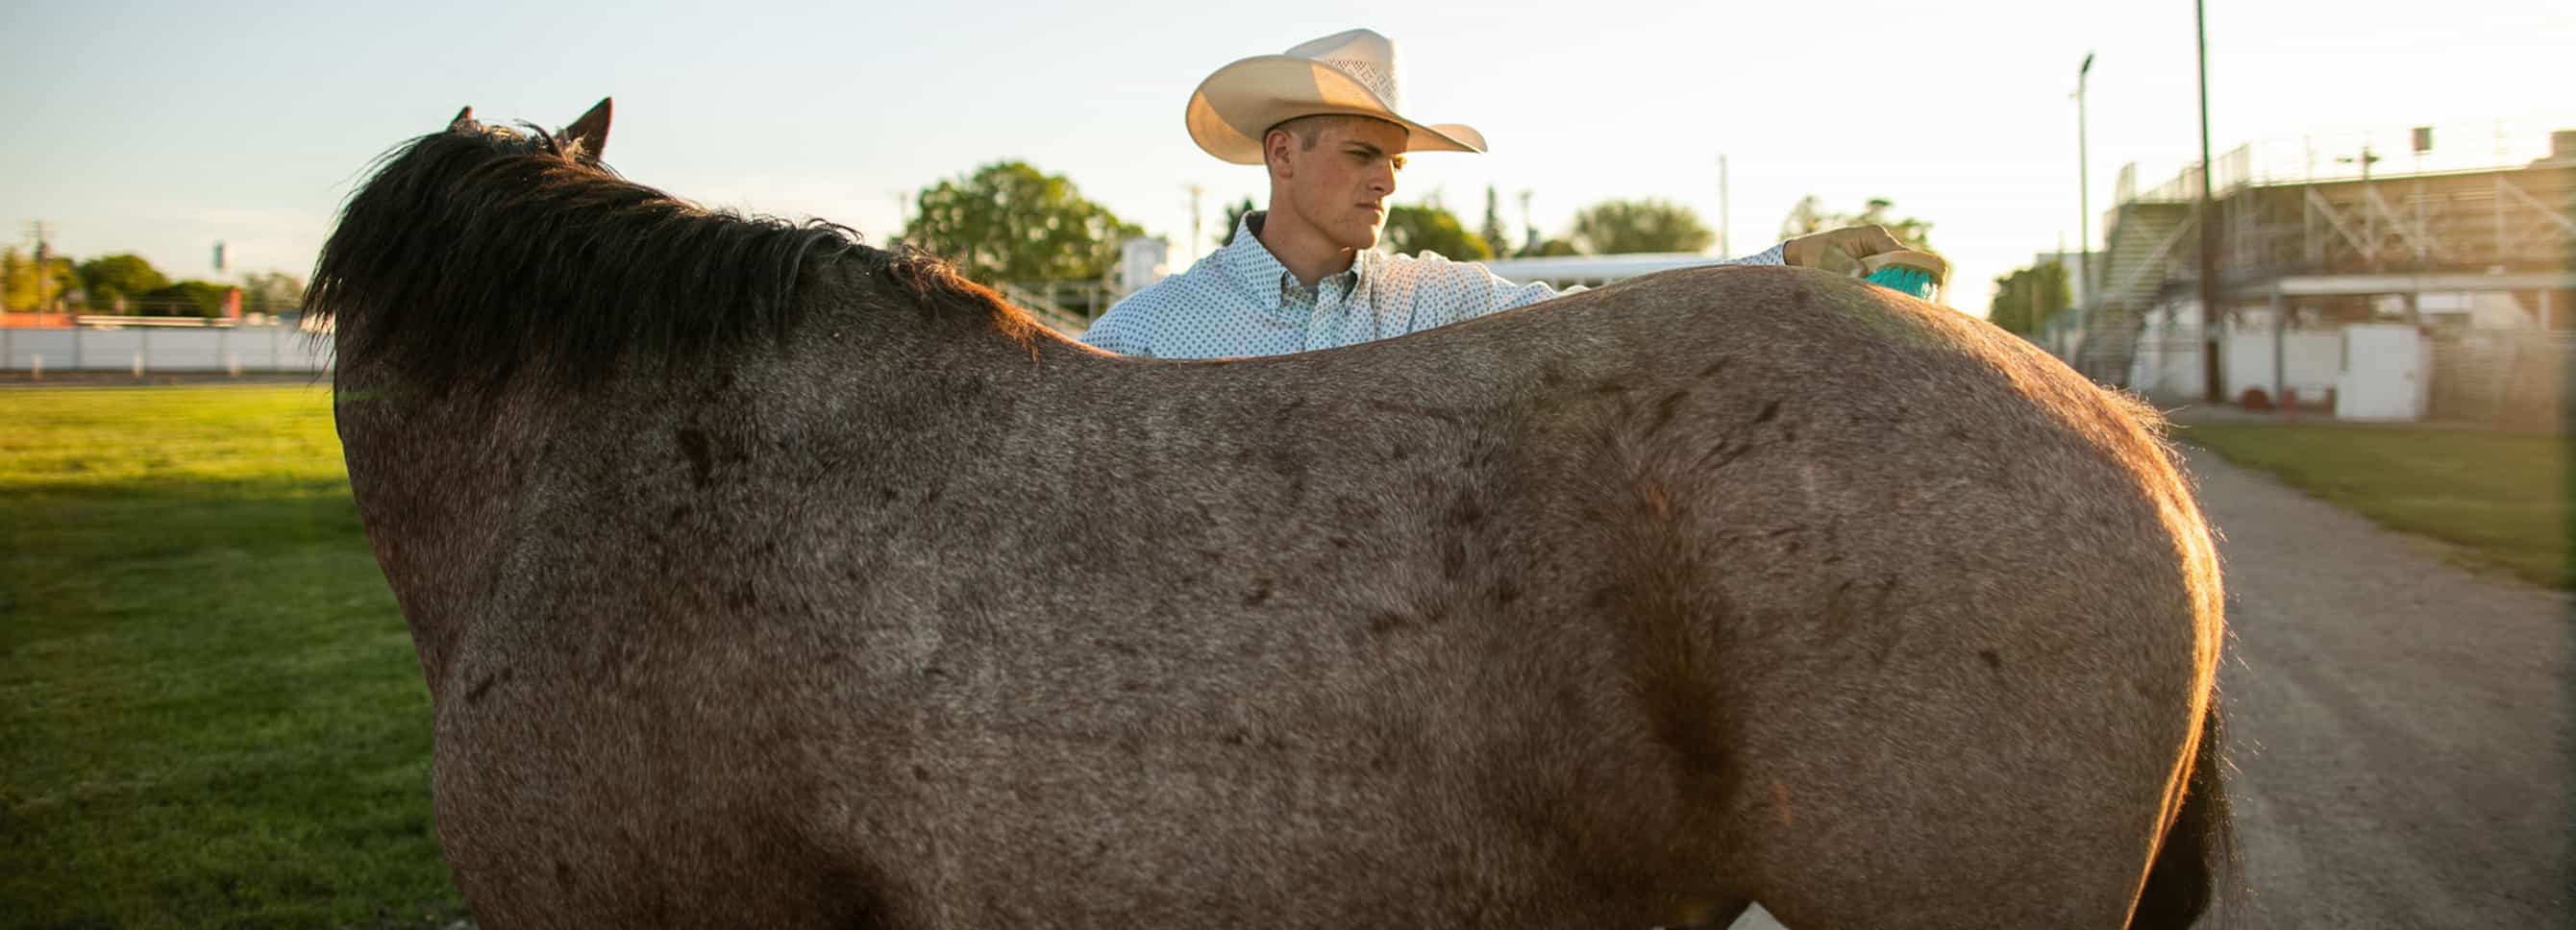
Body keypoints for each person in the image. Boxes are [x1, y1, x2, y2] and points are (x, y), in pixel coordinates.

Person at [1079, 28, 1920, 359]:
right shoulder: (1143, 336)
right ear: (1281, 154)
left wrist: (1784, 267)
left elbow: (1609, 316)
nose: (1386, 179)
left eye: (1399, 165)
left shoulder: (1431, 297)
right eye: (1365, 151)